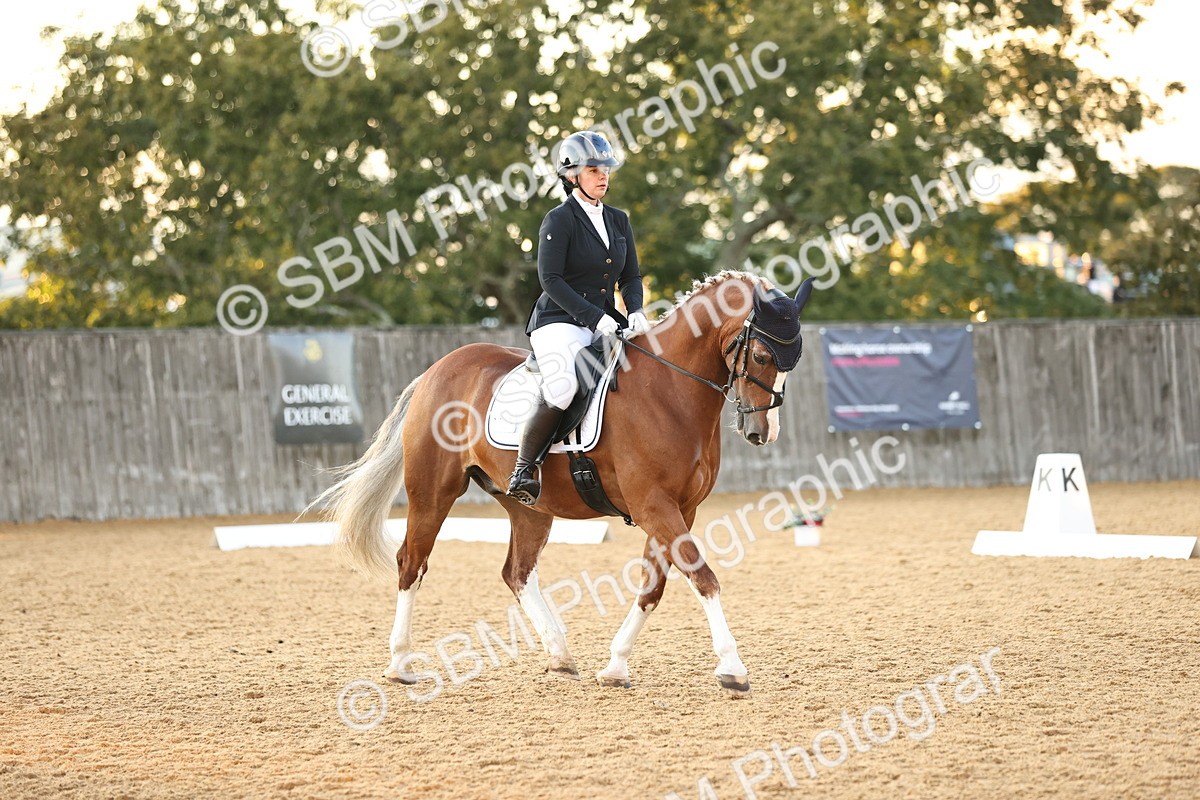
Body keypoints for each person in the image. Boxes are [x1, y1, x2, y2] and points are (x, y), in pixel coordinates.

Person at [506, 131, 651, 505]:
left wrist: (634, 310)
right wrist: (593, 318)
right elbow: (550, 280)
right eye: (593, 169)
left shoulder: (618, 220)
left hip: (606, 318)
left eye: (606, 168)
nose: (603, 175)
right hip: (558, 321)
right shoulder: (559, 220)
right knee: (563, 386)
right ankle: (524, 468)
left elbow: (630, 276)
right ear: (572, 176)